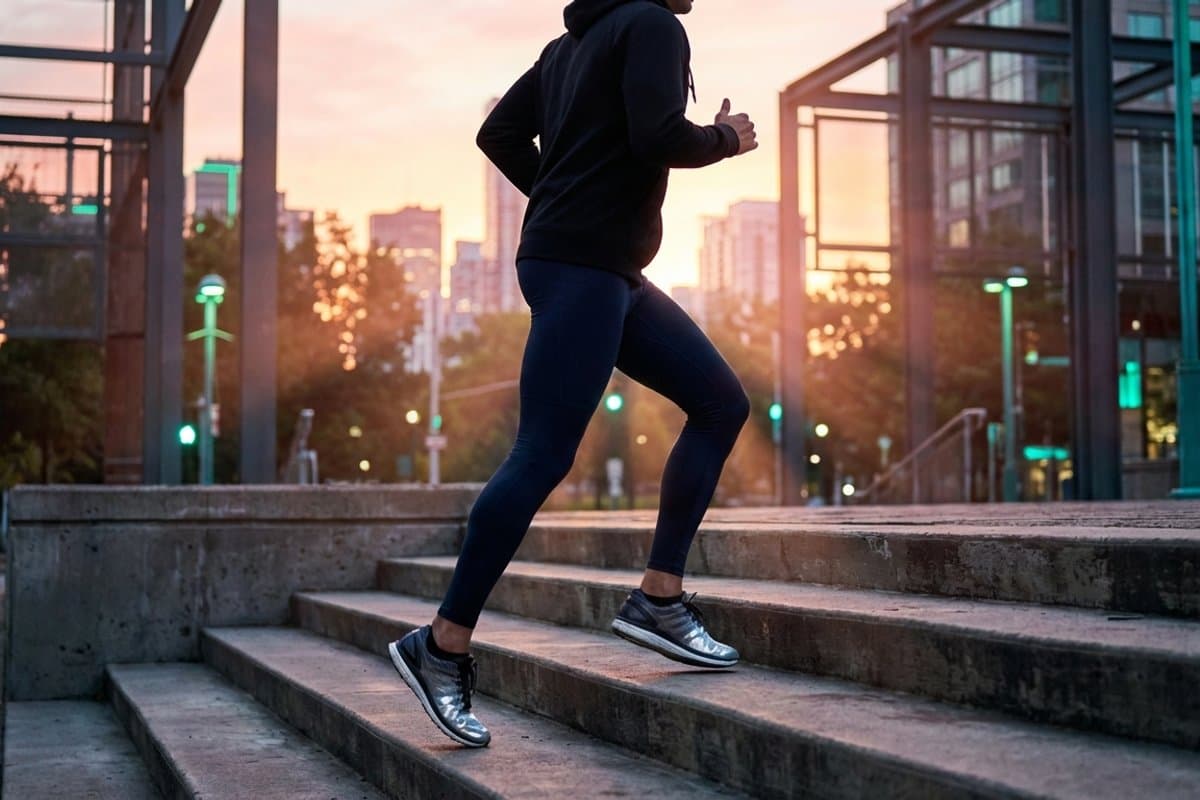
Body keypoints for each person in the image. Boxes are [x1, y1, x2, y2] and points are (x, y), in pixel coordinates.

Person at [388, 0, 757, 748]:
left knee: (721, 402)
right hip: (583, 266)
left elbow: (498, 134)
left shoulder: (570, 46)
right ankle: (442, 645)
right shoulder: (651, 25)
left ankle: (658, 598)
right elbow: (656, 136)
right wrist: (725, 138)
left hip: (605, 268)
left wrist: (559, 192)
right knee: (543, 454)